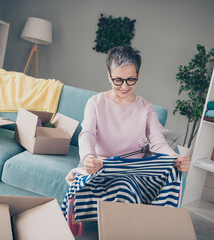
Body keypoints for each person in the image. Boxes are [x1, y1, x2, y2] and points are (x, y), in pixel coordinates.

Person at [77, 45, 190, 175]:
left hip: (129, 171)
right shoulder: (95, 103)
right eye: (118, 80)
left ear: (138, 75)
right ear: (109, 76)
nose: (124, 86)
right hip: (98, 164)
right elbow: (88, 134)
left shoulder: (146, 108)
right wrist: (89, 158)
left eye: (131, 79)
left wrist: (175, 158)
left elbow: (157, 143)